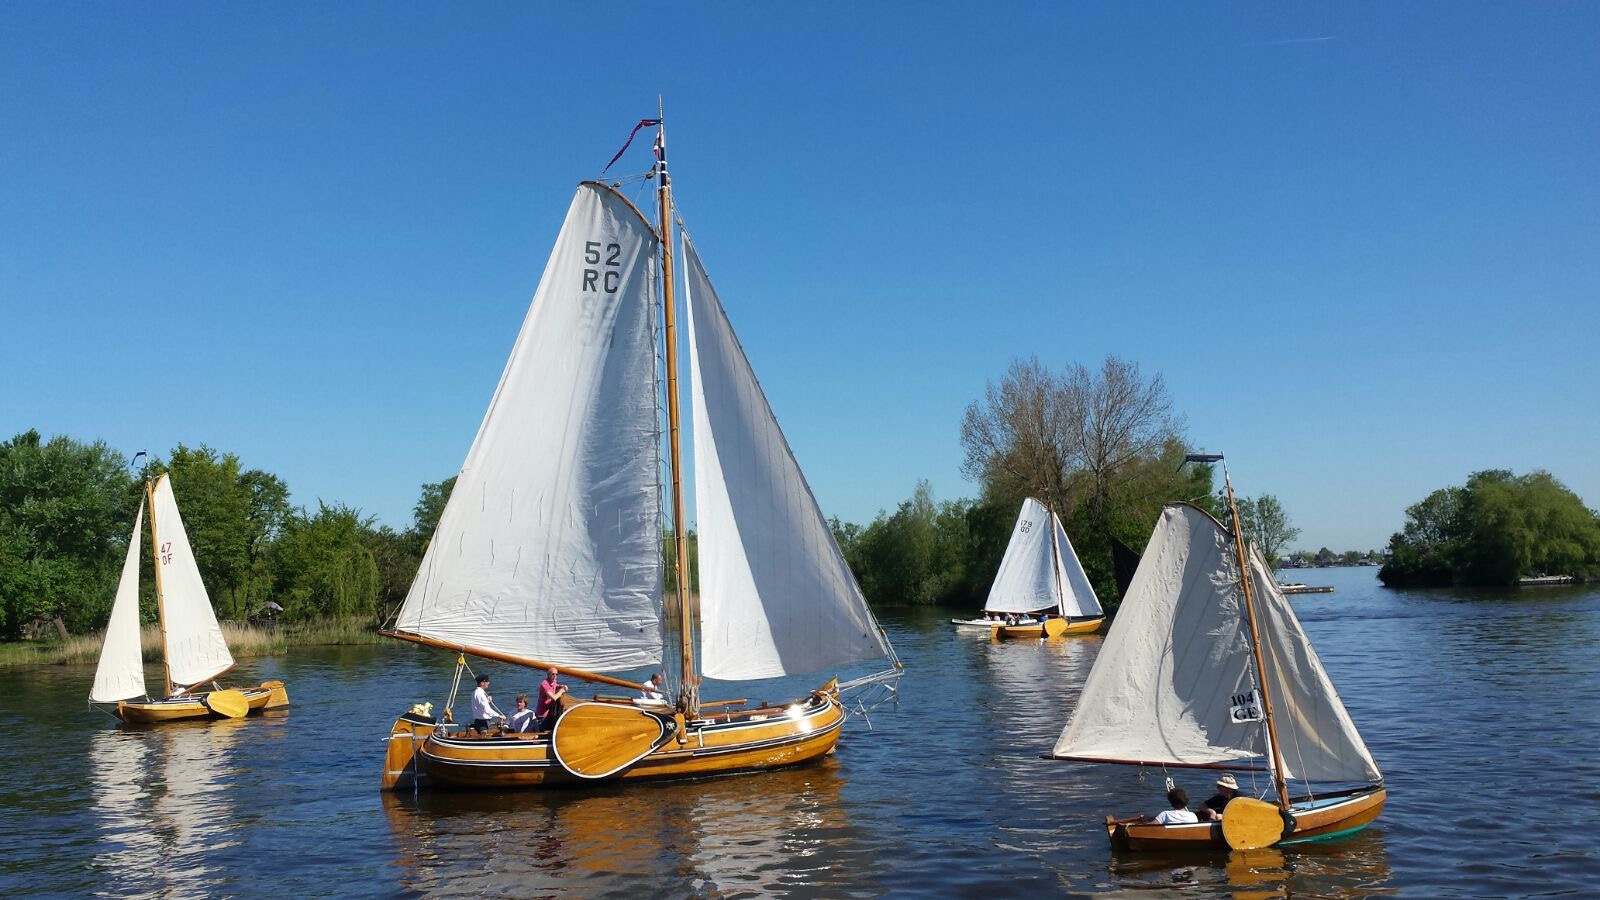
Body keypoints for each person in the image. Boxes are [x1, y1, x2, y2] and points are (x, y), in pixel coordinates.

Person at [535, 667, 568, 731]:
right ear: (548, 675)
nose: (555, 676)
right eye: (553, 674)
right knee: (543, 733)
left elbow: (555, 685)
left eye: (556, 674)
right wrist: (562, 690)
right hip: (542, 715)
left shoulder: (553, 681)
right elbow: (554, 698)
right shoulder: (544, 684)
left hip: (550, 712)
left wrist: (561, 686)